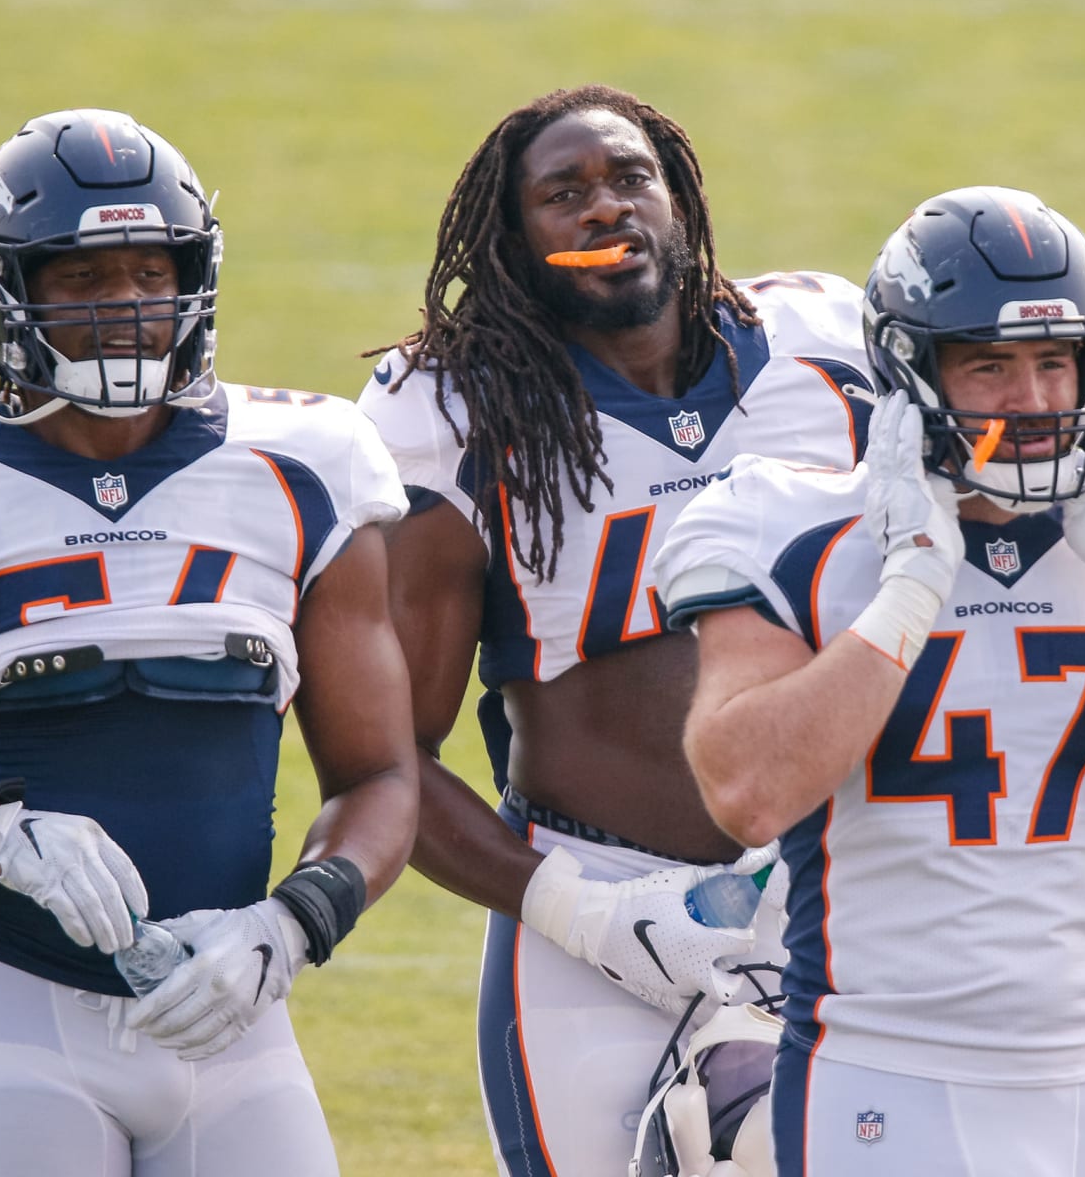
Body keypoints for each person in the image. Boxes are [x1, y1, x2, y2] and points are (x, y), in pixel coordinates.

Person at [356, 84, 872, 1177]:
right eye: (565, 193)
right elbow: (387, 757)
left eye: (632, 179)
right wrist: (580, 914)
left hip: (844, 885)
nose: (606, 209)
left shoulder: (828, 349)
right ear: (512, 240)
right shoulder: (453, 414)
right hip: (601, 913)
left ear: (679, 198)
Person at [0, 108, 418, 1177]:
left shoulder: (306, 461)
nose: (126, 310)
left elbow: (381, 776)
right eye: (82, 280)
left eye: (150, 273)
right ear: (9, 289)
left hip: (228, 1012)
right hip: (9, 1005)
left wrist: (291, 924)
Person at [654, 185, 1085, 1176]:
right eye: (990, 366)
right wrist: (910, 589)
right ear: (910, 371)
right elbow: (748, 792)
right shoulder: (794, 531)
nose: (1035, 403)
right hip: (892, 1078)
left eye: (1055, 362)